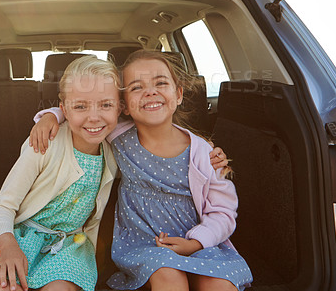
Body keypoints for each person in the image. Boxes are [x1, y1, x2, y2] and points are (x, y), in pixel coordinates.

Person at [31, 51, 252, 290]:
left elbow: (223, 212)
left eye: (161, 83)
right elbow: (84, 111)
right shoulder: (117, 135)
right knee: (168, 274)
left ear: (178, 95)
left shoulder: (203, 153)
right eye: (137, 87)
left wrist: (197, 242)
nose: (150, 92)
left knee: (218, 284)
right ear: (123, 106)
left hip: (201, 242)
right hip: (144, 243)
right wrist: (51, 116)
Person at [0, 56, 122, 291]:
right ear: (64, 109)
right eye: (80, 106)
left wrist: (52, 114)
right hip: (19, 238)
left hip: (71, 245)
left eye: (106, 105)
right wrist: (7, 245)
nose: (94, 116)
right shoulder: (43, 144)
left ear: (120, 107)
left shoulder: (115, 150)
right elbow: (2, 206)